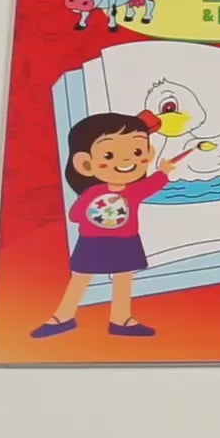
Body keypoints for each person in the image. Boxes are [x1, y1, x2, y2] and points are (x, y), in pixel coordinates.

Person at [32, 110, 180, 338]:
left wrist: (163, 172)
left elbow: (151, 185)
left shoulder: (132, 191)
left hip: (125, 241)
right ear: (85, 164)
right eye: (109, 155)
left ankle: (121, 319)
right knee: (82, 277)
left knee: (123, 278)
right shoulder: (94, 193)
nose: (127, 161)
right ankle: (63, 316)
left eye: (137, 151)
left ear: (149, 154)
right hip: (93, 242)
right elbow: (75, 215)